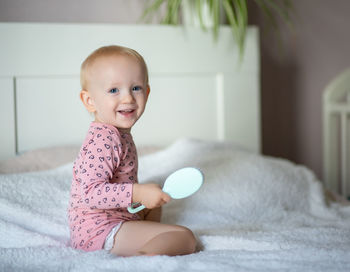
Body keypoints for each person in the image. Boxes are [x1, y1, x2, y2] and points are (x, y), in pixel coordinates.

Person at [68, 45, 197, 256]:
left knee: (155, 203)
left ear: (147, 92)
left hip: (116, 217)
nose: (128, 98)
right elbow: (91, 193)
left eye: (136, 88)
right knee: (184, 237)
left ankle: (145, 237)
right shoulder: (104, 139)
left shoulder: (118, 133)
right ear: (89, 101)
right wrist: (137, 192)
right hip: (98, 230)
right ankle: (140, 261)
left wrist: (142, 196)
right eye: (113, 90)